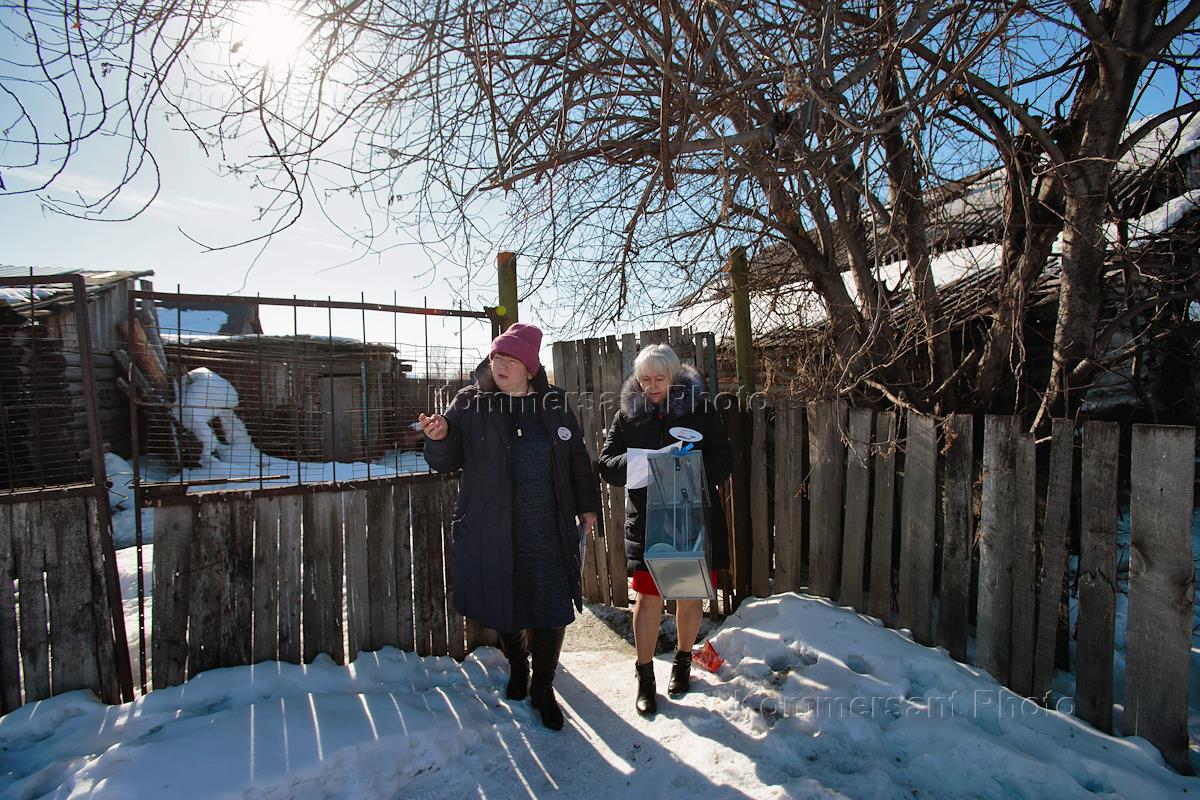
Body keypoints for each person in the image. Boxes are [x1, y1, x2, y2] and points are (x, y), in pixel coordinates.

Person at [420, 322, 599, 731]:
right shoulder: (471, 403)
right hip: (492, 526)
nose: (500, 365)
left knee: (552, 606)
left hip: (548, 525)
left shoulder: (553, 403)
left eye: (511, 359)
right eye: (497, 356)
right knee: (504, 603)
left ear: (530, 367)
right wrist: (440, 436)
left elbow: (576, 455)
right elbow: (446, 459)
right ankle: (519, 666)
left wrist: (587, 505)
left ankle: (543, 686)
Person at [598, 344, 732, 715]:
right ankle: (645, 675)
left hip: (692, 519)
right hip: (648, 523)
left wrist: (689, 466)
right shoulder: (627, 416)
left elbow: (725, 459)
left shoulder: (701, 410)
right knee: (648, 598)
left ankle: (683, 661)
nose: (652, 386)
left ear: (674, 377)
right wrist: (644, 462)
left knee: (688, 596)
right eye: (645, 379)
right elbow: (607, 465)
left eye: (659, 379)